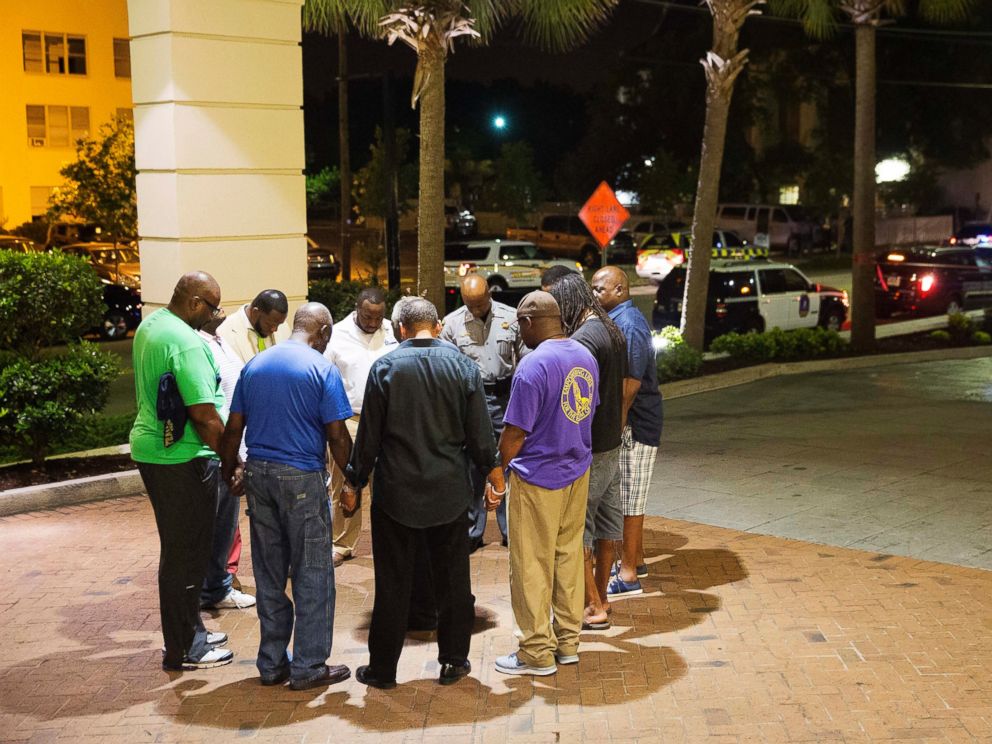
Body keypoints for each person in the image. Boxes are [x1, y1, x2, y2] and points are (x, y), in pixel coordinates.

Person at [345, 298, 504, 689]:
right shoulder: (464, 368)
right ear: (436, 326)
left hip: (396, 494)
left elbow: (369, 438)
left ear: (400, 329)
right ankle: (453, 661)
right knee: (453, 581)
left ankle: (383, 670)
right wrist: (493, 476)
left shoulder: (384, 367)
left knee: (393, 583)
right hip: (449, 492)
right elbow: (480, 435)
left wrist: (354, 481)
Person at [220, 303, 354, 691]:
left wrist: (232, 468)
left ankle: (272, 662)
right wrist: (354, 480)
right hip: (301, 477)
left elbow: (234, 427)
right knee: (313, 572)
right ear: (324, 332)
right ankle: (310, 665)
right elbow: (337, 435)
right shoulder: (320, 368)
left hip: (260, 475)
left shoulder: (256, 365)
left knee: (269, 571)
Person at [130, 271, 234, 671]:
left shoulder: (154, 323)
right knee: (185, 556)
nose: (216, 315)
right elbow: (206, 416)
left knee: (182, 551)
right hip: (179, 458)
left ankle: (193, 630)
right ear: (194, 303)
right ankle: (184, 648)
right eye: (212, 307)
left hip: (157, 449)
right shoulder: (187, 342)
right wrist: (231, 461)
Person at [494, 291, 599, 676]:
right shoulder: (585, 356)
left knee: (530, 565)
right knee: (568, 556)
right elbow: (586, 411)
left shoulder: (533, 366)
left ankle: (535, 652)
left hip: (537, 475)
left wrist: (496, 470)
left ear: (527, 322)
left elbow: (515, 432)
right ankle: (568, 642)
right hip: (577, 469)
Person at [547, 272, 629, 630]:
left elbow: (578, 401)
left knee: (578, 527)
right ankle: (603, 597)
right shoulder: (610, 327)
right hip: (612, 441)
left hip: (592, 447)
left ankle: (592, 606)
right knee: (608, 524)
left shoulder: (583, 340)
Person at [591, 267, 663, 598]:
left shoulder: (629, 324)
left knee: (631, 499)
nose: (593, 294)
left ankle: (630, 574)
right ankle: (637, 559)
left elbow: (629, 387)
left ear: (619, 290)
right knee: (626, 496)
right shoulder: (619, 320)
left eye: (599, 289)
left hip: (636, 423)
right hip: (631, 422)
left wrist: (614, 430)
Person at [441, 274, 523, 551]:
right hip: (470, 399)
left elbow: (524, 359)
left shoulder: (511, 318)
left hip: (505, 395)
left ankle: (510, 529)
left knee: (507, 460)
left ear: (489, 294)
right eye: (469, 305)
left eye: (479, 304)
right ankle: (472, 531)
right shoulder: (451, 324)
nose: (475, 311)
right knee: (473, 465)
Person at [214, 289, 288, 589]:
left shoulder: (272, 330)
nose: (274, 330)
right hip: (240, 426)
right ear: (255, 310)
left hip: (269, 428)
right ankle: (228, 570)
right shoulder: (227, 331)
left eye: (279, 325)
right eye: (271, 323)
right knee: (233, 500)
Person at [324, 287, 398, 567]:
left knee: (389, 482)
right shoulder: (337, 335)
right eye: (367, 317)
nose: (372, 323)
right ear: (357, 309)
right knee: (346, 482)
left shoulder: (393, 332)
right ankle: (342, 543)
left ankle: (388, 538)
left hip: (388, 421)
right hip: (351, 420)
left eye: (378, 318)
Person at [197, 313, 257, 611]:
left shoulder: (219, 340)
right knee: (218, 523)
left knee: (227, 522)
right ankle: (215, 589)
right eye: (213, 307)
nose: (220, 312)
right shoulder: (199, 344)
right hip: (219, 448)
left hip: (235, 446)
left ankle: (218, 584)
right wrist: (228, 455)